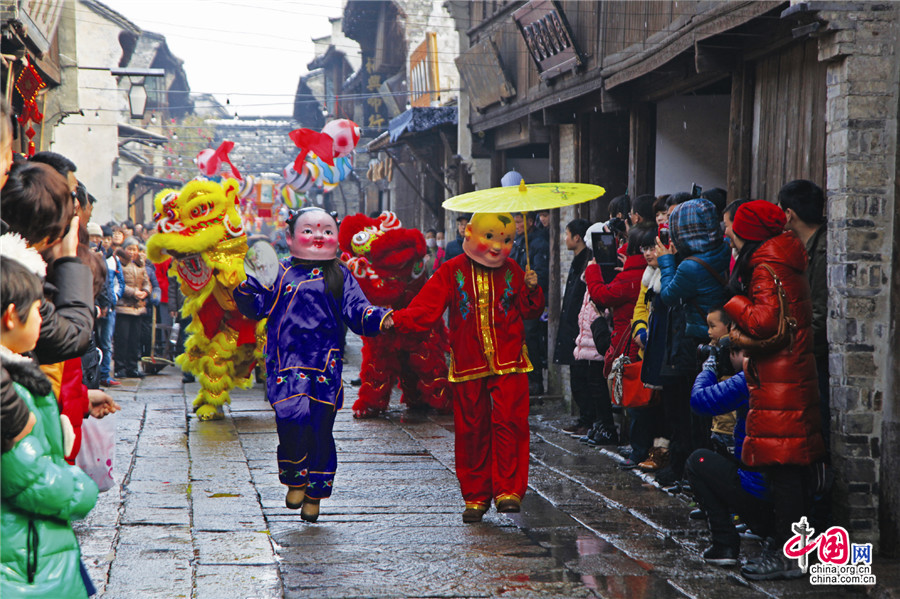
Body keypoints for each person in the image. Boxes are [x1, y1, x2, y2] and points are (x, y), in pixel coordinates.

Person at [233, 207, 393, 523]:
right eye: (309, 230)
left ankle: (315, 494)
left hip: (325, 365)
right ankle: (295, 478)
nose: (318, 236)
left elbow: (356, 309)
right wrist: (249, 285)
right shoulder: (278, 271)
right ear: (291, 237)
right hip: (285, 363)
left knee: (321, 428)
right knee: (290, 420)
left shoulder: (341, 274)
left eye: (325, 230)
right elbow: (257, 307)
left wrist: (381, 318)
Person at [390, 212, 544, 523]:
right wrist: (397, 319)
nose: (498, 246)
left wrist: (532, 288)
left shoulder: (514, 270)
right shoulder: (452, 270)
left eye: (506, 239)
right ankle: (475, 495)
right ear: (471, 233)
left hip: (509, 358)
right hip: (469, 360)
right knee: (472, 428)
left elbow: (530, 310)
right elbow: (426, 307)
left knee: (510, 423)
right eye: (490, 237)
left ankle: (508, 491)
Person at [724, 199, 824, 580]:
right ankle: (795, 548)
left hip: (781, 380)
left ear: (749, 233)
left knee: (783, 468)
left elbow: (764, 323)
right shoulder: (784, 257)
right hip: (791, 375)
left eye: (734, 228)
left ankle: (789, 553)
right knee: (792, 466)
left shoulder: (765, 266)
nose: (729, 234)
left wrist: (733, 301)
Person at [1, 257, 99, 598]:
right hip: (23, 563)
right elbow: (31, 477)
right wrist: (81, 489)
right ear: (12, 315)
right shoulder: (11, 391)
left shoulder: (17, 374)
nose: (44, 320)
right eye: (40, 310)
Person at [653, 198, 730, 487]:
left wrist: (666, 261)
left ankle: (688, 469)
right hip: (715, 336)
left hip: (692, 340)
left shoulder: (690, 267)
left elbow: (669, 295)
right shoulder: (722, 251)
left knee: (686, 406)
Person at [685, 341, 774, 568]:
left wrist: (710, 368)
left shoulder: (750, 376)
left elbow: (700, 400)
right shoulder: (788, 373)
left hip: (758, 496)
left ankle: (724, 543)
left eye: (734, 352)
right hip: (791, 505)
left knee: (698, 462)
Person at [581, 224, 651, 446]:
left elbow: (602, 296)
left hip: (629, 343)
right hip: (637, 338)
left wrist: (592, 271)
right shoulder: (642, 273)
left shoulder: (631, 277)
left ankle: (639, 446)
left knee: (636, 397)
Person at [777, 180, 828, 450]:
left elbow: (819, 312)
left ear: (789, 214)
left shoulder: (823, 249)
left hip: (816, 356)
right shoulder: (804, 247)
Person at [553, 218, 592, 435]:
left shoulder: (586, 262)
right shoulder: (578, 260)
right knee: (577, 377)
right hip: (572, 325)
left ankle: (589, 419)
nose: (565, 238)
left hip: (581, 327)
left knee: (583, 377)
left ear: (577, 238)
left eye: (567, 234)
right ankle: (583, 419)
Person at [510, 212, 550, 395]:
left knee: (531, 338)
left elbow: (541, 273)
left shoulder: (539, 243)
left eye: (519, 221)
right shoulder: (517, 241)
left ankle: (535, 380)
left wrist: (531, 286)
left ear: (531, 222)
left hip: (531, 299)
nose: (517, 225)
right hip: (516, 298)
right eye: (515, 222)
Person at [114, 240, 150, 379]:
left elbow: (147, 281)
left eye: (134, 249)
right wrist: (134, 292)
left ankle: (132, 367)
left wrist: (145, 292)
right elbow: (118, 283)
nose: (132, 252)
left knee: (135, 340)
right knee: (122, 339)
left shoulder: (140, 265)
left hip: (138, 308)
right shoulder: (120, 264)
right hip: (124, 308)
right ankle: (120, 368)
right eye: (129, 249)